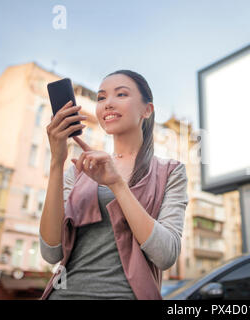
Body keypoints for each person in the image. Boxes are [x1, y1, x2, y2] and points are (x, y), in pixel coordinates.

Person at [39, 70, 188, 299]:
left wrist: (117, 184)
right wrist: (56, 162)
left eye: (121, 94)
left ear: (147, 110)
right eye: (101, 97)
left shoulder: (170, 172)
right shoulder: (78, 170)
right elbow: (51, 252)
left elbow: (166, 255)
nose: (107, 104)